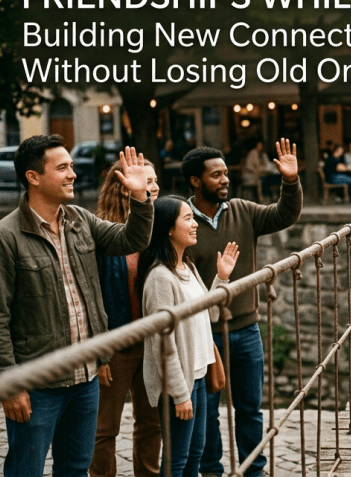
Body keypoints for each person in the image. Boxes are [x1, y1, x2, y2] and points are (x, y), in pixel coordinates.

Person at [0, 137, 154, 477]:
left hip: (85, 379)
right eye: (62, 167)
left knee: (76, 469)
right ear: (33, 177)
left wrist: (140, 197)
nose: (73, 174)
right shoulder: (4, 238)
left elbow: (132, 239)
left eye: (72, 166)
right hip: (38, 383)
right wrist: (9, 383)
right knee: (26, 470)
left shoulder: (80, 220)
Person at [182, 140, 302, 477]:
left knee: (250, 408)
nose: (225, 179)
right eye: (216, 175)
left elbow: (284, 215)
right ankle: (211, 471)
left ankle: (254, 471)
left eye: (225, 173)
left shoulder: (242, 210)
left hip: (246, 329)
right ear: (195, 181)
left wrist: (290, 180)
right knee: (207, 411)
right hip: (204, 333)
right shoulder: (183, 220)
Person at [140, 196, 239, 477]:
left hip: (198, 374)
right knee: (177, 460)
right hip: (179, 383)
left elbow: (210, 315)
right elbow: (162, 343)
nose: (195, 224)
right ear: (168, 229)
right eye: (187, 218)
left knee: (195, 453)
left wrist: (221, 278)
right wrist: (179, 394)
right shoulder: (160, 278)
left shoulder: (188, 267)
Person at [91, 159, 163, 477]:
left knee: (151, 424)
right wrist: (99, 355)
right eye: (147, 181)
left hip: (152, 343)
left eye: (155, 180)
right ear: (124, 188)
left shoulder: (160, 230)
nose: (154, 187)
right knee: (104, 428)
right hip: (115, 346)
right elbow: (92, 298)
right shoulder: (100, 234)